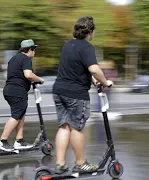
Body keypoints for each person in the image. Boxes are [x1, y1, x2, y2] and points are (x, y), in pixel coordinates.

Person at [52, 16, 113, 174]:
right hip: (76, 94)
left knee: (64, 126)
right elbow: (94, 68)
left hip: (59, 90)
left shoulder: (67, 45)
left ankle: (60, 164)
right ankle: (80, 163)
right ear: (90, 31)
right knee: (77, 128)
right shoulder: (86, 47)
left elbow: (76, 67)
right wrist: (105, 82)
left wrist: (92, 79)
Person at [0, 39, 44, 152]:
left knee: (20, 114)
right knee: (16, 115)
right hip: (17, 91)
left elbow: (18, 74)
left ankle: (19, 140)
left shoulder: (13, 59)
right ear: (30, 49)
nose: (34, 52)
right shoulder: (26, 59)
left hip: (9, 90)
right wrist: (40, 79)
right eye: (34, 49)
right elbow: (28, 74)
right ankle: (2, 141)